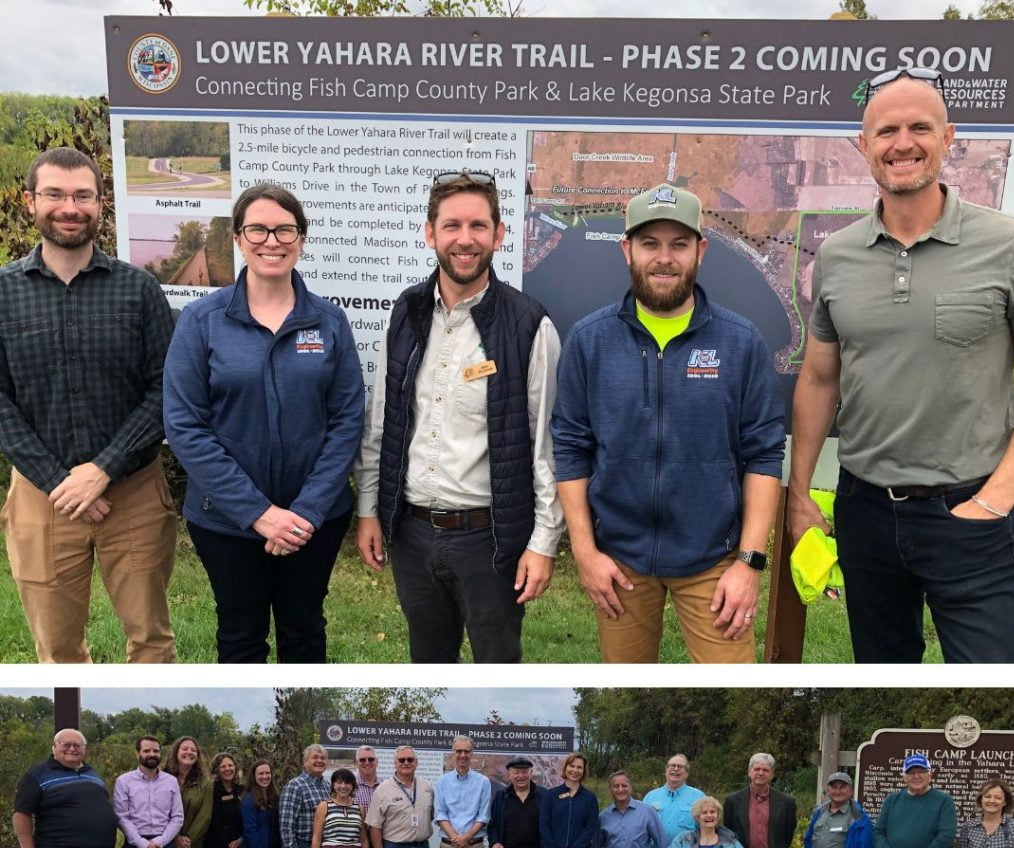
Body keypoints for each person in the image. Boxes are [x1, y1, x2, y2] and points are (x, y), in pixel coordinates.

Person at [788, 69, 1014, 664]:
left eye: (920, 127)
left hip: (971, 513)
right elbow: (820, 379)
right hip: (865, 512)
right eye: (886, 130)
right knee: (882, 670)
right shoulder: (838, 255)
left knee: (995, 676)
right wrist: (799, 492)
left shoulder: (1009, 244)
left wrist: (996, 499)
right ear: (863, 146)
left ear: (949, 138)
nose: (903, 143)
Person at [551, 182, 785, 664]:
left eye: (678, 244)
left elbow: (764, 455)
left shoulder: (740, 342)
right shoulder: (589, 340)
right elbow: (571, 448)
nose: (664, 258)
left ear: (700, 251)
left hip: (714, 562)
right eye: (649, 244)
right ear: (627, 250)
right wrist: (585, 553)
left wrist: (749, 563)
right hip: (619, 561)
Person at [354, 170, 563, 663]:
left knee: (497, 665)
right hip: (412, 536)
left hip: (489, 542)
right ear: (430, 233)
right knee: (428, 665)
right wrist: (368, 509)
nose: (464, 240)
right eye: (451, 226)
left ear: (498, 234)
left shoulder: (530, 325)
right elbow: (382, 423)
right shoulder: (405, 314)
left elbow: (544, 446)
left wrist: (543, 542)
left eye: (477, 226)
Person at [163, 184, 364, 663]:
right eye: (258, 228)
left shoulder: (330, 322)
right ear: (237, 238)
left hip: (314, 520)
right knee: (239, 633)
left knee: (305, 629)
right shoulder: (201, 322)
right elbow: (184, 425)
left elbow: (347, 420)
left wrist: (307, 511)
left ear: (301, 239)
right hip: (225, 521)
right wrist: (258, 513)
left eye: (284, 229)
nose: (271, 240)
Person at [0, 146, 176, 663]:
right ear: (31, 201)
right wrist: (60, 481)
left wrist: (103, 469)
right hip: (40, 496)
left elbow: (165, 389)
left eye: (82, 195)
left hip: (134, 495)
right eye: (54, 194)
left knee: (151, 641)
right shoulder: (3, 293)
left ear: (101, 204)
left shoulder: (139, 291)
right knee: (55, 647)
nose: (69, 207)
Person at [643, 754, 706, 838]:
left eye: (680, 767)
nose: (676, 769)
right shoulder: (650, 797)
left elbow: (708, 829)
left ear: (686, 773)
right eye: (672, 766)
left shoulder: (699, 797)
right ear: (666, 771)